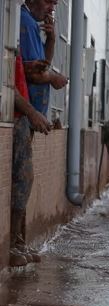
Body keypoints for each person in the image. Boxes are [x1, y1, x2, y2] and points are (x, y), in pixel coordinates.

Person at [10, 53, 52, 267]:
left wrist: (28, 67)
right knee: (23, 180)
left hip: (22, 118)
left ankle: (18, 241)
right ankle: (12, 244)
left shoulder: (17, 37)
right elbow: (7, 85)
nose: (47, 16)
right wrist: (32, 113)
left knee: (24, 183)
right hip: (15, 117)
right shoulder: (13, 23)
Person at [20, 0, 69, 118]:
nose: (51, 8)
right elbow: (31, 73)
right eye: (48, 2)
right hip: (24, 114)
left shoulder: (31, 23)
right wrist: (53, 77)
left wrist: (51, 39)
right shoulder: (27, 23)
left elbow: (43, 65)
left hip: (30, 115)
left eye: (54, 4)